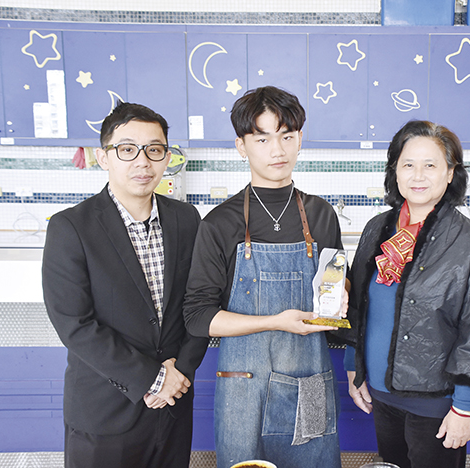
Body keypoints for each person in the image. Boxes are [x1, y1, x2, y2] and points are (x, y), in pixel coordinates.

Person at [183, 86, 345, 468]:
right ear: (241, 146)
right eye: (262, 138)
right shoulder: (219, 223)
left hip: (308, 384)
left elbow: (336, 282)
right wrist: (275, 322)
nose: (278, 150)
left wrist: (342, 295)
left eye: (287, 136)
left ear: (300, 139)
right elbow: (198, 317)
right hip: (244, 390)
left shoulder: (322, 215)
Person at [42, 102, 209, 468]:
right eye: (128, 149)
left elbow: (200, 303)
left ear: (166, 157)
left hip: (174, 406)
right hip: (106, 412)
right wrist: (154, 379)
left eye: (154, 150)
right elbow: (75, 325)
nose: (143, 162)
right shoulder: (71, 227)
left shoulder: (186, 219)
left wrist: (180, 373)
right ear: (104, 157)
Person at [338, 120, 470, 468]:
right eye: (408, 164)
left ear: (450, 173)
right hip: (380, 394)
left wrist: (465, 407)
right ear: (395, 171)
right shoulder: (377, 228)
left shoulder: (468, 242)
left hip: (436, 401)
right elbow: (359, 308)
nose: (418, 175)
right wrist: (353, 368)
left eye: (430, 165)